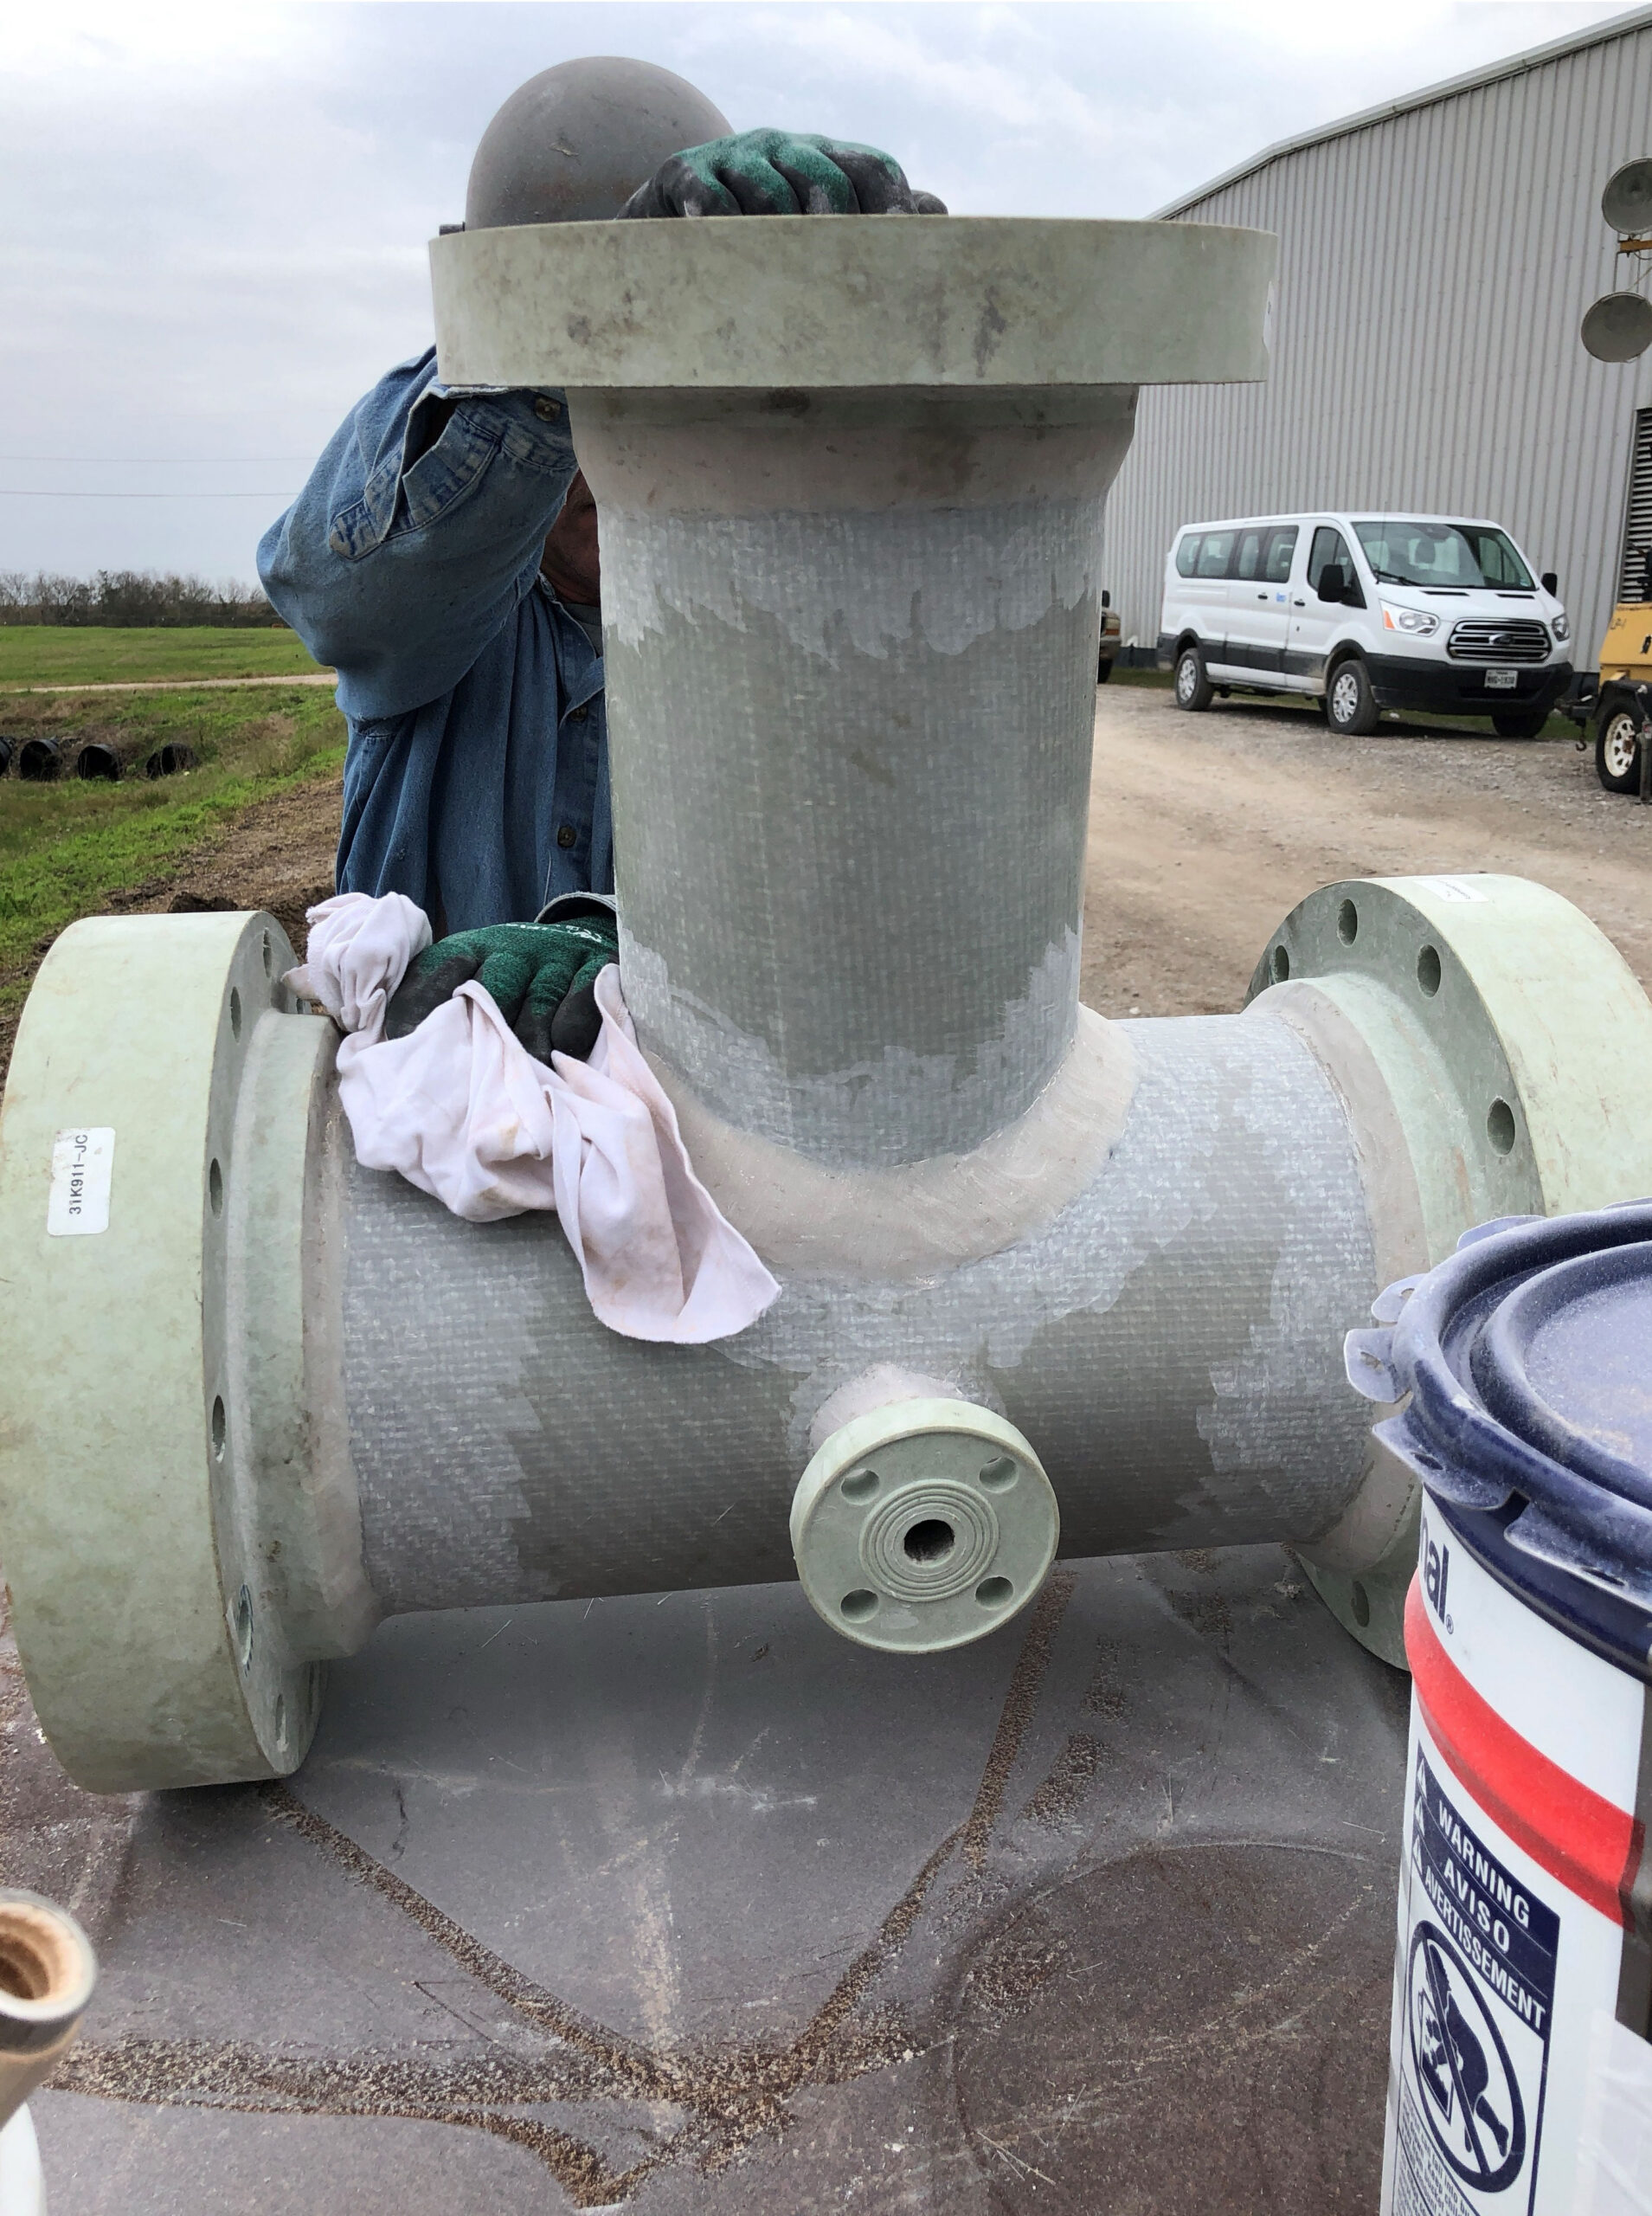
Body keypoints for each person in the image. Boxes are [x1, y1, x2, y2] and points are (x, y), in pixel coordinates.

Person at [259, 57, 942, 1058]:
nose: (605, 459)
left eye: (645, 403)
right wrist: (572, 320)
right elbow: (331, 586)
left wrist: (623, 934)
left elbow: (826, 888)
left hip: (671, 1151)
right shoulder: (436, 625)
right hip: (415, 1149)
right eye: (577, 412)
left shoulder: (757, 638)